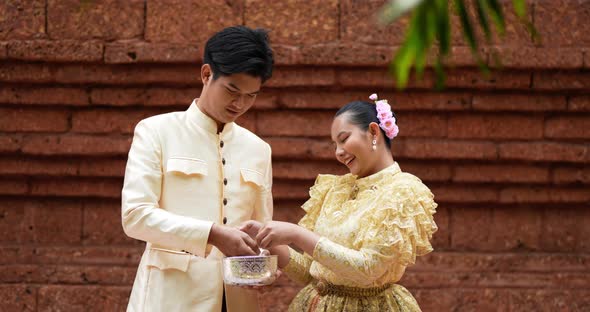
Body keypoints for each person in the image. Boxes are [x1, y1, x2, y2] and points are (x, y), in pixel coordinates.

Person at [121, 26, 274, 312]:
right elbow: (135, 216)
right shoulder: (156, 131)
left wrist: (261, 265)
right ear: (206, 74)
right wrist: (212, 233)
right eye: (232, 90)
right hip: (170, 300)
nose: (240, 104)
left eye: (251, 95)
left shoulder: (258, 149)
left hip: (238, 301)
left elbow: (261, 230)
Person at [243, 94, 438, 311]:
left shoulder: (403, 192)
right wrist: (268, 241)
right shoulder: (335, 189)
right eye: (335, 144)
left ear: (374, 132)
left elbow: (368, 269)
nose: (338, 152)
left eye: (344, 139)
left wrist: (296, 233)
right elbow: (312, 272)